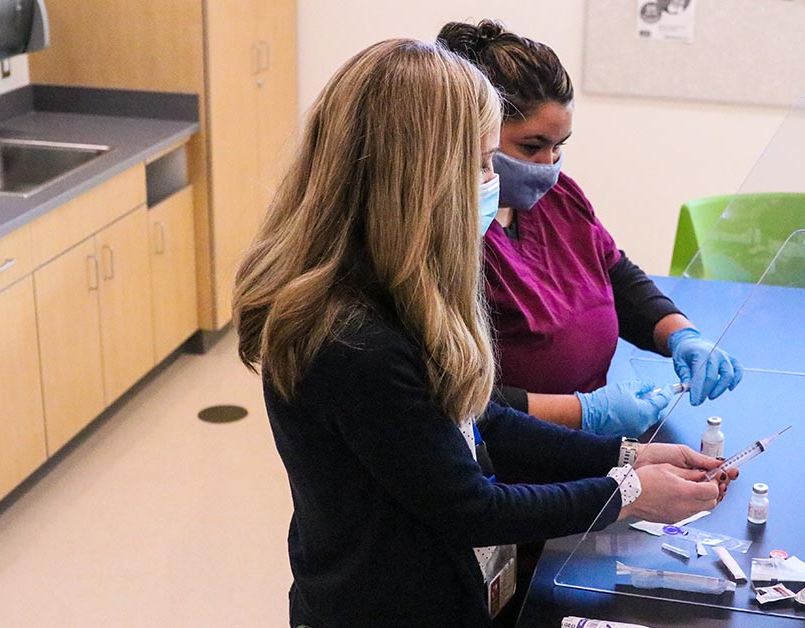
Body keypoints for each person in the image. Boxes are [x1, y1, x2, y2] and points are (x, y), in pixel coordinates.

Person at [231, 40, 734, 628]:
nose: (494, 182)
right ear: (419, 176)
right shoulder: (352, 337)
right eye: (484, 163)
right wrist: (627, 493)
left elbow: (478, 418)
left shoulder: (406, 282)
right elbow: (467, 505)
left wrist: (625, 455)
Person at [437, 20, 745, 439]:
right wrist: (583, 413)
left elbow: (613, 273)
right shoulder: (446, 237)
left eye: (560, 146)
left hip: (589, 447)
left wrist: (681, 334)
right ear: (475, 133)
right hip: (518, 460)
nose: (549, 164)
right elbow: (450, 401)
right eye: (531, 146)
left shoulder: (560, 197)